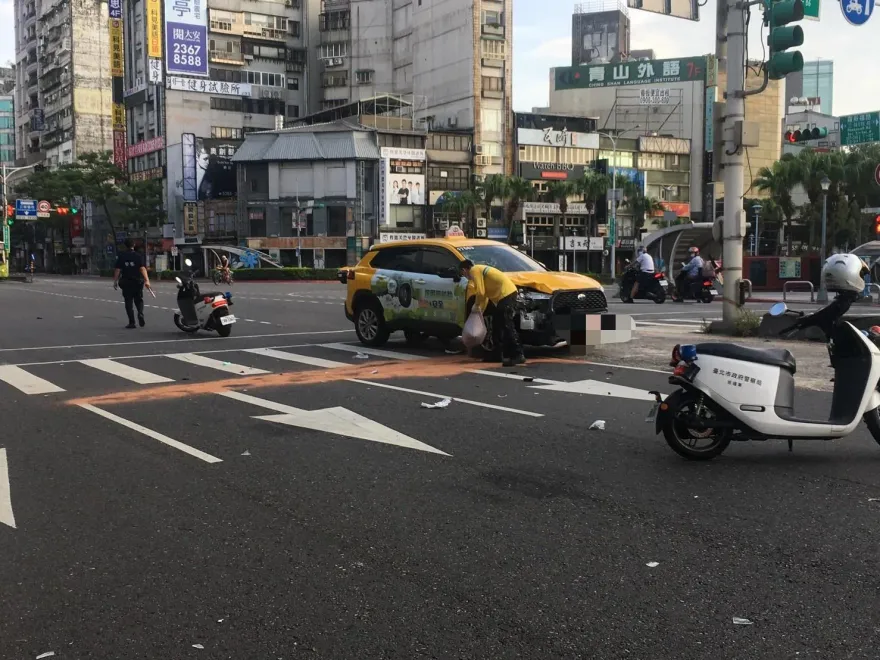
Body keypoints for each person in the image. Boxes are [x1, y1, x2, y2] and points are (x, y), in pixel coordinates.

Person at [460, 259, 524, 367]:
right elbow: (484, 296)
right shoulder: (479, 271)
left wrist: (475, 306)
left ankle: (517, 355)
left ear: (464, 270)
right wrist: (479, 311)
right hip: (504, 296)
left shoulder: (474, 270)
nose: (465, 277)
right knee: (497, 325)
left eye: (463, 274)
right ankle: (497, 354)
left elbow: (480, 292)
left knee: (506, 326)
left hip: (506, 295)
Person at [113, 239, 152, 329]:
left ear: (125, 246)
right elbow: (142, 269)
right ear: (133, 245)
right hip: (137, 281)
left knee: (128, 302)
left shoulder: (122, 256)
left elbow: (117, 270)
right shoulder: (138, 256)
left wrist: (115, 281)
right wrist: (147, 280)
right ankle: (140, 314)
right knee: (139, 300)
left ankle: (132, 322)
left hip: (126, 282)